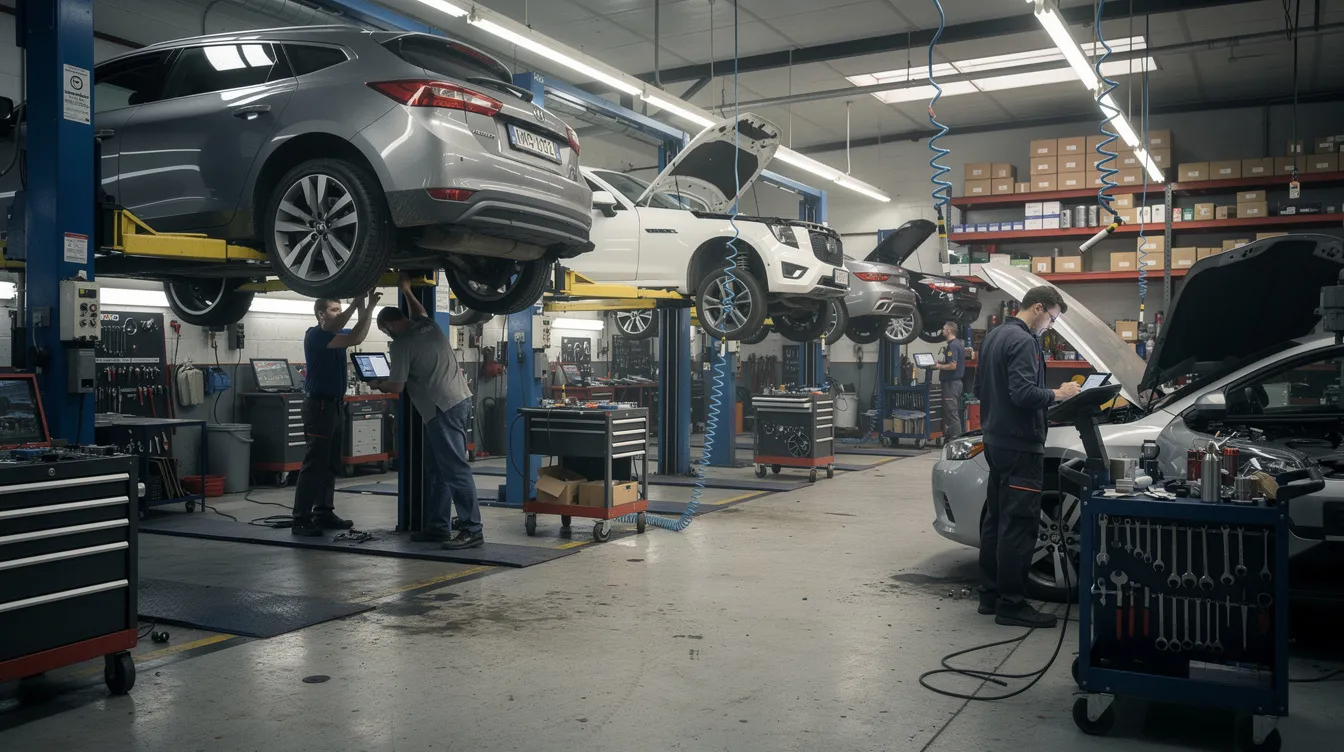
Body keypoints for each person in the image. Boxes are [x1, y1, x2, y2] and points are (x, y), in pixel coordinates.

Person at [974, 286, 1081, 628]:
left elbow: (979, 390)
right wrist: (1058, 393)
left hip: (995, 441)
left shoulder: (994, 337)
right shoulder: (1024, 341)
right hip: (1021, 445)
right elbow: (1023, 394)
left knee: (996, 521)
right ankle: (1012, 604)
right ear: (1038, 308)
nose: (1050, 326)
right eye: (1052, 318)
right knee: (1019, 525)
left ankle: (990, 597)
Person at [372, 275, 481, 550]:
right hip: (458, 401)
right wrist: (407, 291)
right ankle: (438, 527)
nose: (388, 336)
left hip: (441, 408)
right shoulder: (426, 325)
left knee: (455, 470)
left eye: (385, 331)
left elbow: (397, 385)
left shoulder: (400, 344)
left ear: (387, 325)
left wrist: (377, 383)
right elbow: (418, 311)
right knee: (437, 468)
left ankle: (472, 529)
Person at [292, 291, 381, 537]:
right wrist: (355, 303)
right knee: (314, 463)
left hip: (334, 405)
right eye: (334, 310)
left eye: (339, 310)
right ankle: (300, 518)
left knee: (330, 463)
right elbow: (341, 325)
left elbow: (357, 336)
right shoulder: (316, 335)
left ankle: (323, 511)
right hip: (319, 407)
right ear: (321, 314)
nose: (339, 314)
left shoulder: (338, 334)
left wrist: (368, 307)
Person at [934, 321, 966, 441]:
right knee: (950, 411)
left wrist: (939, 366)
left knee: (952, 412)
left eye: (943, 329)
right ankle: (951, 435)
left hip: (952, 384)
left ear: (948, 331)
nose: (942, 331)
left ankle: (955, 439)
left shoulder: (953, 346)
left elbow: (953, 366)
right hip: (954, 383)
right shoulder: (957, 344)